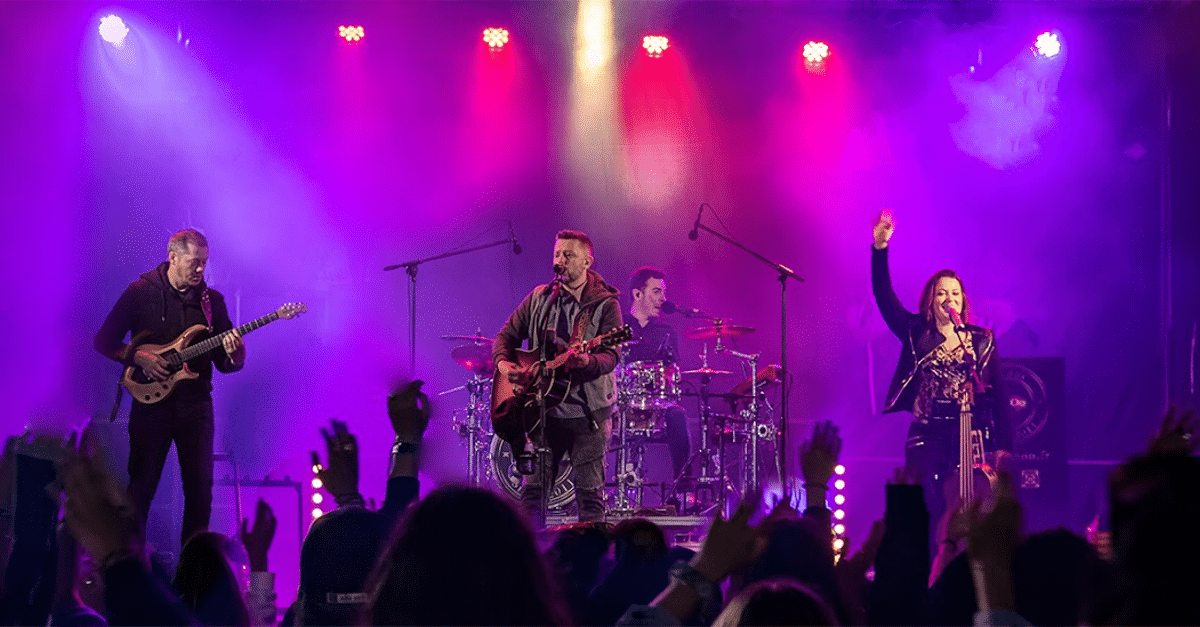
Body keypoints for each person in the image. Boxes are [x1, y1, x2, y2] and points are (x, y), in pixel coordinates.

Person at [95, 228, 245, 548]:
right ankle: (133, 567)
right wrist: (137, 356)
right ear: (173, 257)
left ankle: (193, 580)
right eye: (194, 262)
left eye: (205, 262)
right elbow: (103, 340)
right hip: (151, 406)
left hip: (196, 407)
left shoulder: (212, 302)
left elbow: (224, 363)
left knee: (199, 493)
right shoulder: (140, 292)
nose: (201, 270)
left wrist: (236, 353)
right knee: (141, 490)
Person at [869, 209, 1009, 553]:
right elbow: (884, 299)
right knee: (929, 505)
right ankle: (928, 568)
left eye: (956, 294)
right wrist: (880, 248)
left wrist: (1005, 446)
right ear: (930, 300)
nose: (950, 299)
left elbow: (999, 393)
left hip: (970, 433)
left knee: (972, 507)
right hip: (927, 433)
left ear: (964, 301)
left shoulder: (980, 339)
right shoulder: (917, 332)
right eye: (942, 293)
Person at [493, 229, 622, 526]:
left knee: (589, 498)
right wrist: (503, 364)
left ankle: (592, 562)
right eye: (557, 254)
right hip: (543, 412)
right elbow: (505, 336)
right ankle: (529, 563)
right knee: (533, 496)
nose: (560, 260)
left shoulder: (605, 304)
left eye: (568, 254)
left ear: (587, 261)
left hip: (588, 414)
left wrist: (586, 360)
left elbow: (610, 357)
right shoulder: (540, 297)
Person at [623, 266, 691, 484]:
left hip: (657, 404)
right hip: (621, 401)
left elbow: (674, 369)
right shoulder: (617, 326)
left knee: (678, 417)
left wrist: (670, 376)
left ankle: (682, 489)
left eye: (663, 292)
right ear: (637, 294)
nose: (663, 298)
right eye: (657, 292)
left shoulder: (666, 330)